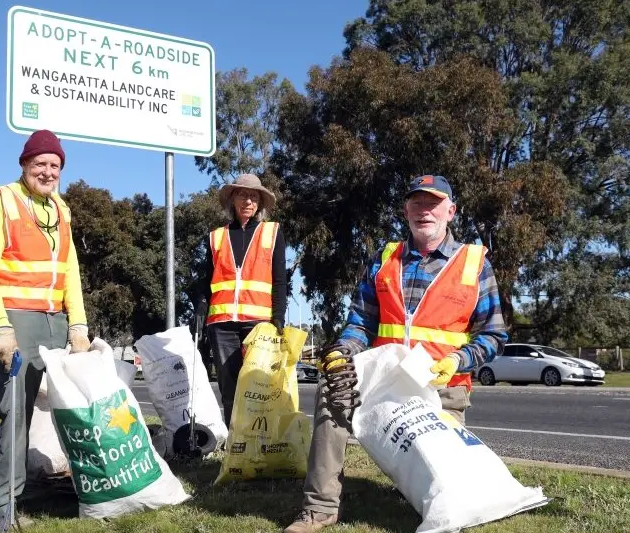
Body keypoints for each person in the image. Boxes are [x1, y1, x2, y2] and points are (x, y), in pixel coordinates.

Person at [284, 174, 508, 533]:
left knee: (441, 493)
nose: (424, 211)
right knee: (333, 390)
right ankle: (319, 508)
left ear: (450, 211)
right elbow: (360, 323)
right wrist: (342, 351)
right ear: (406, 210)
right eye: (417, 203)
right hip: (384, 381)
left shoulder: (474, 262)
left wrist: (455, 361)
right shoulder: (384, 258)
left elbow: (494, 335)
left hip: (441, 387)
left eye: (433, 203)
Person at [0, 129, 91, 528]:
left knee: (72, 413)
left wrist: (78, 323)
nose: (47, 171)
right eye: (40, 163)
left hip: (55, 322)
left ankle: (86, 490)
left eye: (55, 165)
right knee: (15, 419)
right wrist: (0, 329)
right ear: (24, 165)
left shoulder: (61, 209)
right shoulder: (2, 201)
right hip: (18, 322)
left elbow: (70, 270)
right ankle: (0, 508)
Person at [194, 173, 288, 428]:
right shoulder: (216, 236)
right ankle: (235, 445)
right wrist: (202, 304)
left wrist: (278, 317)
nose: (248, 200)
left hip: (259, 323)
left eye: (254, 196)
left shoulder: (272, 232)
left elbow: (280, 280)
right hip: (222, 323)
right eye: (243, 194)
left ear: (260, 203)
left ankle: (260, 442)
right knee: (229, 385)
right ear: (233, 199)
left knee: (259, 385)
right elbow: (206, 279)